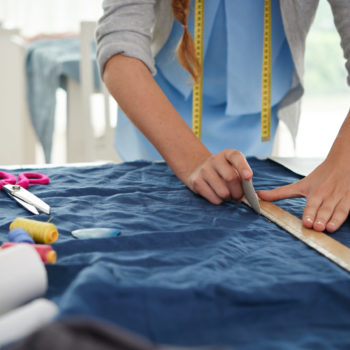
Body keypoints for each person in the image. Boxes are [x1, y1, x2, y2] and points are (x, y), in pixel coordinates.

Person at [96, 0, 350, 233]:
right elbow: (120, 46)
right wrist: (192, 161)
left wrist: (344, 162)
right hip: (161, 124)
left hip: (254, 126)